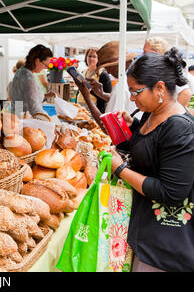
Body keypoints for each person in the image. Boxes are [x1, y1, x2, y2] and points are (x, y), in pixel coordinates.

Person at [110, 47, 194, 272]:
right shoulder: (151, 113)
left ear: (159, 88)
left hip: (164, 245)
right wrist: (132, 127)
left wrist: (120, 170)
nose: (131, 98)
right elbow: (149, 151)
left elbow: (172, 192)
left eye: (135, 91)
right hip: (144, 230)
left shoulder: (180, 128)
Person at [76, 41, 137, 129]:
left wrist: (87, 97)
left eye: (109, 67)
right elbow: (120, 101)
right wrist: (102, 94)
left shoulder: (121, 86)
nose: (108, 72)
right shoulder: (130, 80)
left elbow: (108, 128)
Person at [144, 37, 192, 107]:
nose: (142, 54)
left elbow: (186, 93)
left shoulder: (166, 69)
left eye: (145, 52)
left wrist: (171, 113)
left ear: (155, 52)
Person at [10, 44, 56, 116]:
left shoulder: (21, 72)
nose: (45, 68)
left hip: (18, 115)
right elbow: (34, 109)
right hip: (26, 119)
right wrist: (50, 119)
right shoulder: (28, 78)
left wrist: (47, 95)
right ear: (37, 61)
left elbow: (27, 96)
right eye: (45, 65)